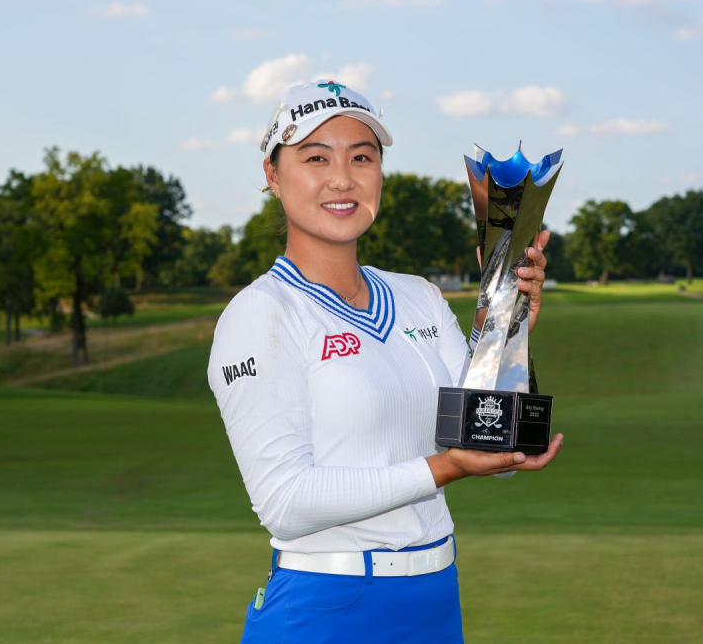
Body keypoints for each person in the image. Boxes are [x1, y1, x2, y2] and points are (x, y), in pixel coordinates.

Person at [207, 81, 563, 643]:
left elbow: (475, 431)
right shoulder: (259, 315)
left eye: (362, 157)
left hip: (435, 599)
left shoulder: (418, 296)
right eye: (315, 157)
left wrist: (509, 322)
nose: (342, 178)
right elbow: (286, 504)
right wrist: (445, 468)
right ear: (273, 176)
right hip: (326, 607)